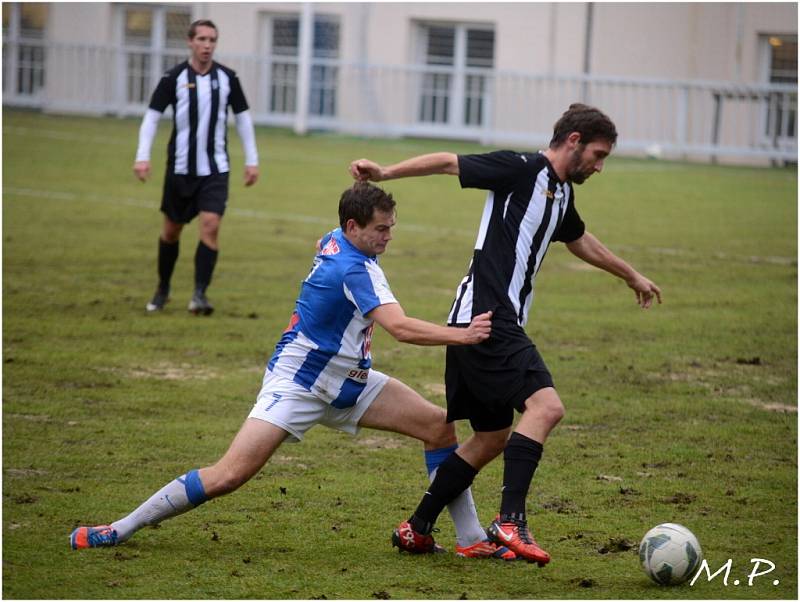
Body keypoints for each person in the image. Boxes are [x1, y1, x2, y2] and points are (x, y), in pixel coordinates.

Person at [70, 182, 516, 560]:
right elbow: (400, 328)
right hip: (299, 382)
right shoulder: (355, 268)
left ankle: (471, 539)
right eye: (381, 229)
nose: (388, 237)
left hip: (350, 382)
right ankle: (120, 528)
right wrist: (464, 335)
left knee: (439, 428)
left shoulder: (335, 239)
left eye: (391, 228)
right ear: (353, 227)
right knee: (230, 474)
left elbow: (347, 260)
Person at [349, 103, 662, 565]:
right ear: (573, 141)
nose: (599, 166)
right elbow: (448, 162)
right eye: (597, 155)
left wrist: (630, 274)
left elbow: (579, 238)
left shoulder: (559, 194)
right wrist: (386, 172)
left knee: (491, 438)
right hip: (488, 319)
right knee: (547, 407)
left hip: (481, 322)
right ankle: (510, 520)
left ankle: (416, 527)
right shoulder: (520, 169)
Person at [134, 19, 259, 316]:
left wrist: (252, 160)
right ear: (190, 42)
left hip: (215, 169)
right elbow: (152, 117)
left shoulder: (228, 78)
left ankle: (199, 295)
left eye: (212, 40)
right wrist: (142, 156)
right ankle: (163, 287)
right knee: (171, 231)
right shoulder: (173, 77)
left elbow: (243, 119)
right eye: (202, 39)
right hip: (179, 169)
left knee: (211, 226)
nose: (207, 45)